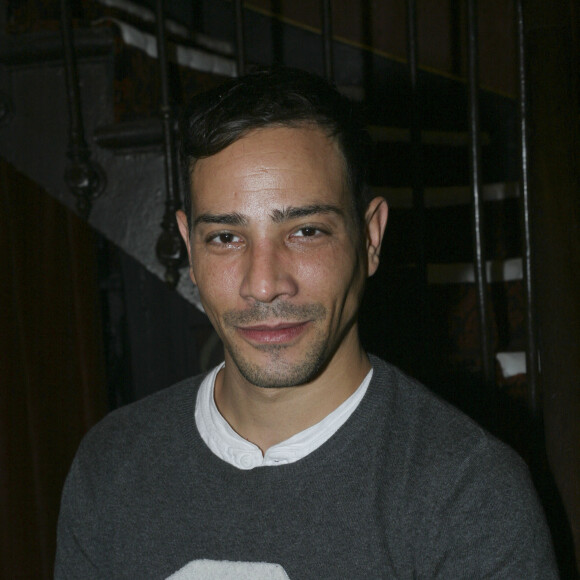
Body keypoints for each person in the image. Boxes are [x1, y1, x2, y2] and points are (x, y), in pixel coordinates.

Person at [55, 67, 557, 579]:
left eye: (306, 231)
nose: (264, 283)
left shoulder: (470, 494)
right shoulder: (111, 465)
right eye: (226, 237)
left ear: (370, 238)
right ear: (188, 245)